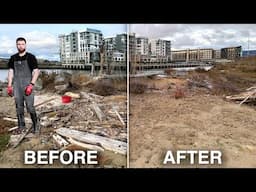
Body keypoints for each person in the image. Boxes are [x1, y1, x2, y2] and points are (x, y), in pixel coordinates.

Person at [7, 37, 40, 134]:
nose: (20, 46)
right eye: (18, 44)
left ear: (25, 45)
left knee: (30, 107)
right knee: (19, 107)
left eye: (22, 44)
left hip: (27, 85)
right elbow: (10, 71)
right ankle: (21, 126)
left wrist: (31, 85)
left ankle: (36, 125)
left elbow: (36, 71)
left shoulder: (31, 57)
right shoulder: (13, 58)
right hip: (17, 86)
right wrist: (9, 85)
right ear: (16, 45)